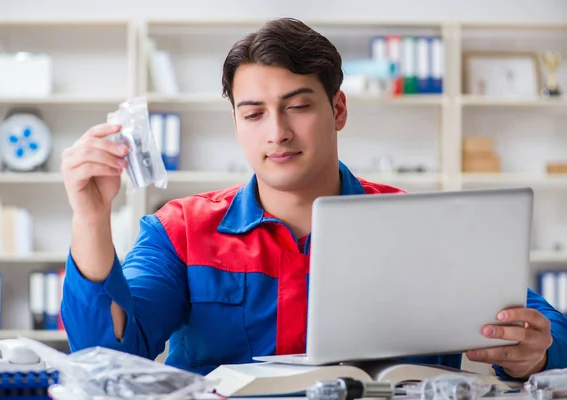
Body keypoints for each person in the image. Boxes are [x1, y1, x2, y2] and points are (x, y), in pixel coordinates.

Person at [60, 17, 567, 379]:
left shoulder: (419, 225)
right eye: (254, 113)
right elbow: (106, 354)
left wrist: (537, 350)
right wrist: (90, 215)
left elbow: (546, 328)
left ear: (338, 109)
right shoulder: (181, 231)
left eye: (298, 106)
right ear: (236, 123)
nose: (277, 132)